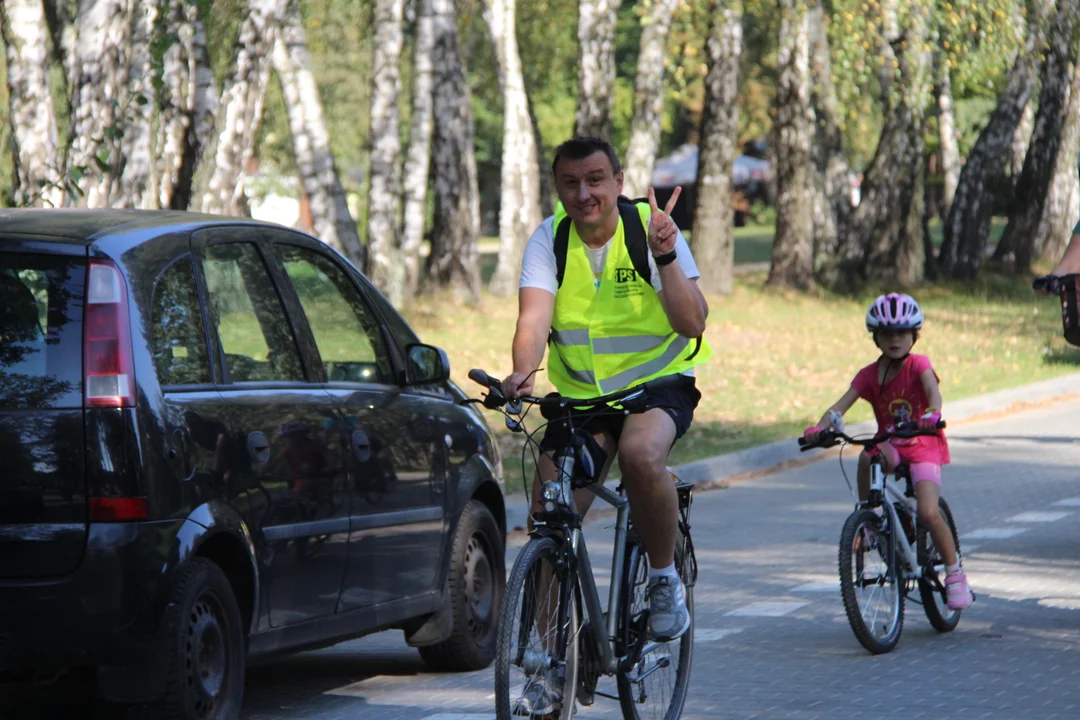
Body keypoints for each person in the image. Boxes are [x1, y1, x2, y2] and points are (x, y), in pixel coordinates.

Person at [502, 136, 713, 647]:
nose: (583, 194)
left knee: (641, 456)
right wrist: (523, 372)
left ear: (618, 183)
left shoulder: (650, 228)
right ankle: (548, 655)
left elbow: (692, 323)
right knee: (548, 510)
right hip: (583, 399)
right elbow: (533, 319)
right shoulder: (549, 240)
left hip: (657, 386)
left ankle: (663, 579)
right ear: (558, 187)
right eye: (570, 183)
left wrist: (665, 256)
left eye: (595, 180)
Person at [802, 293, 974, 610]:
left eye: (902, 333)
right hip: (892, 444)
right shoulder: (869, 375)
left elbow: (933, 393)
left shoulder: (919, 364)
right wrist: (819, 429)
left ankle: (954, 573)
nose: (894, 340)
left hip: (923, 444)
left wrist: (932, 413)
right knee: (867, 453)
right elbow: (839, 407)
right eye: (886, 334)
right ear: (875, 337)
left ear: (914, 336)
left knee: (927, 512)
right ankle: (869, 517)